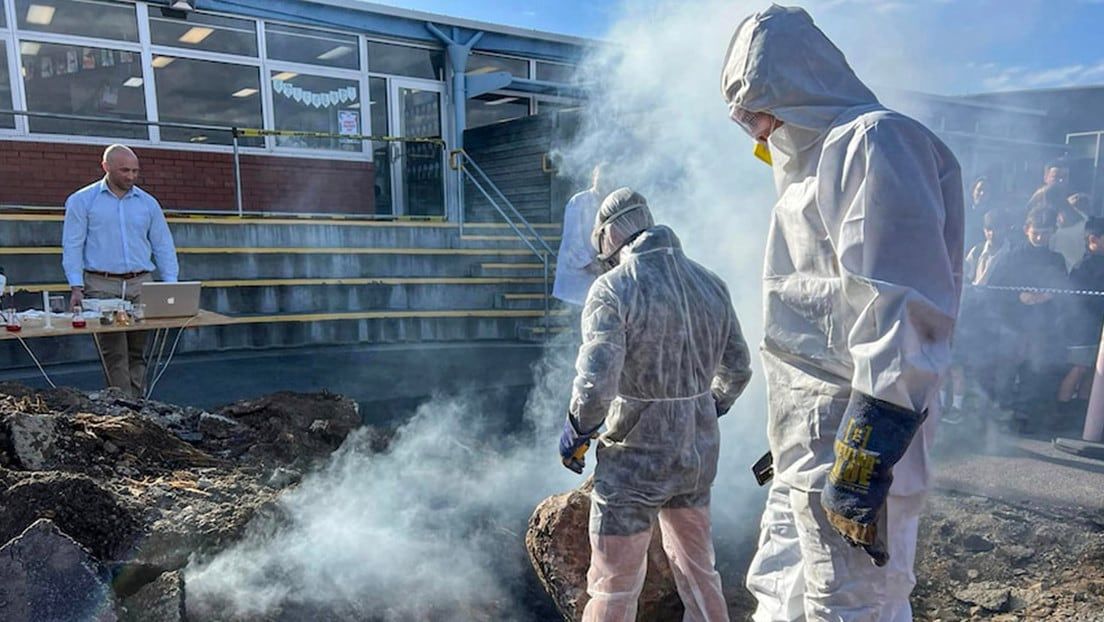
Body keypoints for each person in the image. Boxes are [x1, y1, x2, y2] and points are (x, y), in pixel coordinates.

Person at [720, 6, 963, 621]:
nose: (755, 130)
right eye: (743, 117)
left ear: (797, 85)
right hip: (806, 448)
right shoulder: (806, 168)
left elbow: (903, 306)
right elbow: (808, 320)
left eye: (758, 108)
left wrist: (864, 455)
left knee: (853, 606)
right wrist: (790, 434)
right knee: (780, 595)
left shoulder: (873, 141)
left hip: (853, 447)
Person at [558, 188, 752, 621]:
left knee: (614, 585)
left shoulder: (613, 290)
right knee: (699, 571)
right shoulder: (710, 283)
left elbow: (596, 383)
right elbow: (738, 369)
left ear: (610, 234)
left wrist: (578, 429)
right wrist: (706, 408)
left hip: (635, 462)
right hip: (695, 456)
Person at [62, 144, 179, 397]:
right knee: (114, 353)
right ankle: (124, 408)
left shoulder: (148, 203)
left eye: (135, 171)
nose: (131, 176)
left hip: (141, 283)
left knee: (138, 352)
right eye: (124, 170)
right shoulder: (82, 201)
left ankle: (138, 404)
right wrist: (76, 286)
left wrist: (171, 284)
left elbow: (163, 244)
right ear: (106, 167)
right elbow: (72, 245)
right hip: (101, 285)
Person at [984, 206, 1070, 431]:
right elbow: (993, 288)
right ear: (1026, 230)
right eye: (1037, 232)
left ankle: (1022, 415)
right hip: (1012, 323)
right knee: (1006, 369)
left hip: (1042, 325)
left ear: (1053, 232)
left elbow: (1065, 290)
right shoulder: (1012, 256)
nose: (1041, 238)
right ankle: (1000, 413)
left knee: (1034, 369)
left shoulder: (1056, 259)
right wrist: (1017, 296)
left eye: (1046, 233)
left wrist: (1049, 295)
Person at [1059, 217, 1104, 403]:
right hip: (1082, 328)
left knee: (1093, 371)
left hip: (1096, 328)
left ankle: (1081, 410)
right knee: (1079, 368)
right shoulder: (1084, 267)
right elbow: (1078, 300)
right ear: (1093, 239)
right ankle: (1062, 409)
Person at [552, 165, 609, 308]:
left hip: (599, 279)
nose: (605, 182)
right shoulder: (578, 202)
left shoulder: (610, 204)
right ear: (594, 178)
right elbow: (573, 241)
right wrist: (589, 264)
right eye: (601, 178)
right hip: (577, 278)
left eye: (608, 179)